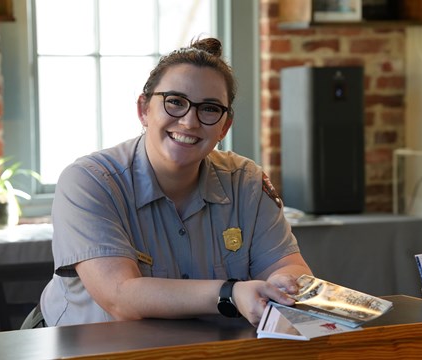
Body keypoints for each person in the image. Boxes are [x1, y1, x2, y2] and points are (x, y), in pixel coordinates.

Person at [32, 37, 313, 329]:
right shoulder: (89, 181)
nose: (190, 122)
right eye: (175, 102)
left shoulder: (247, 181)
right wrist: (231, 293)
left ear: (224, 126)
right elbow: (120, 296)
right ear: (144, 110)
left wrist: (284, 283)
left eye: (209, 109)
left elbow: (287, 266)